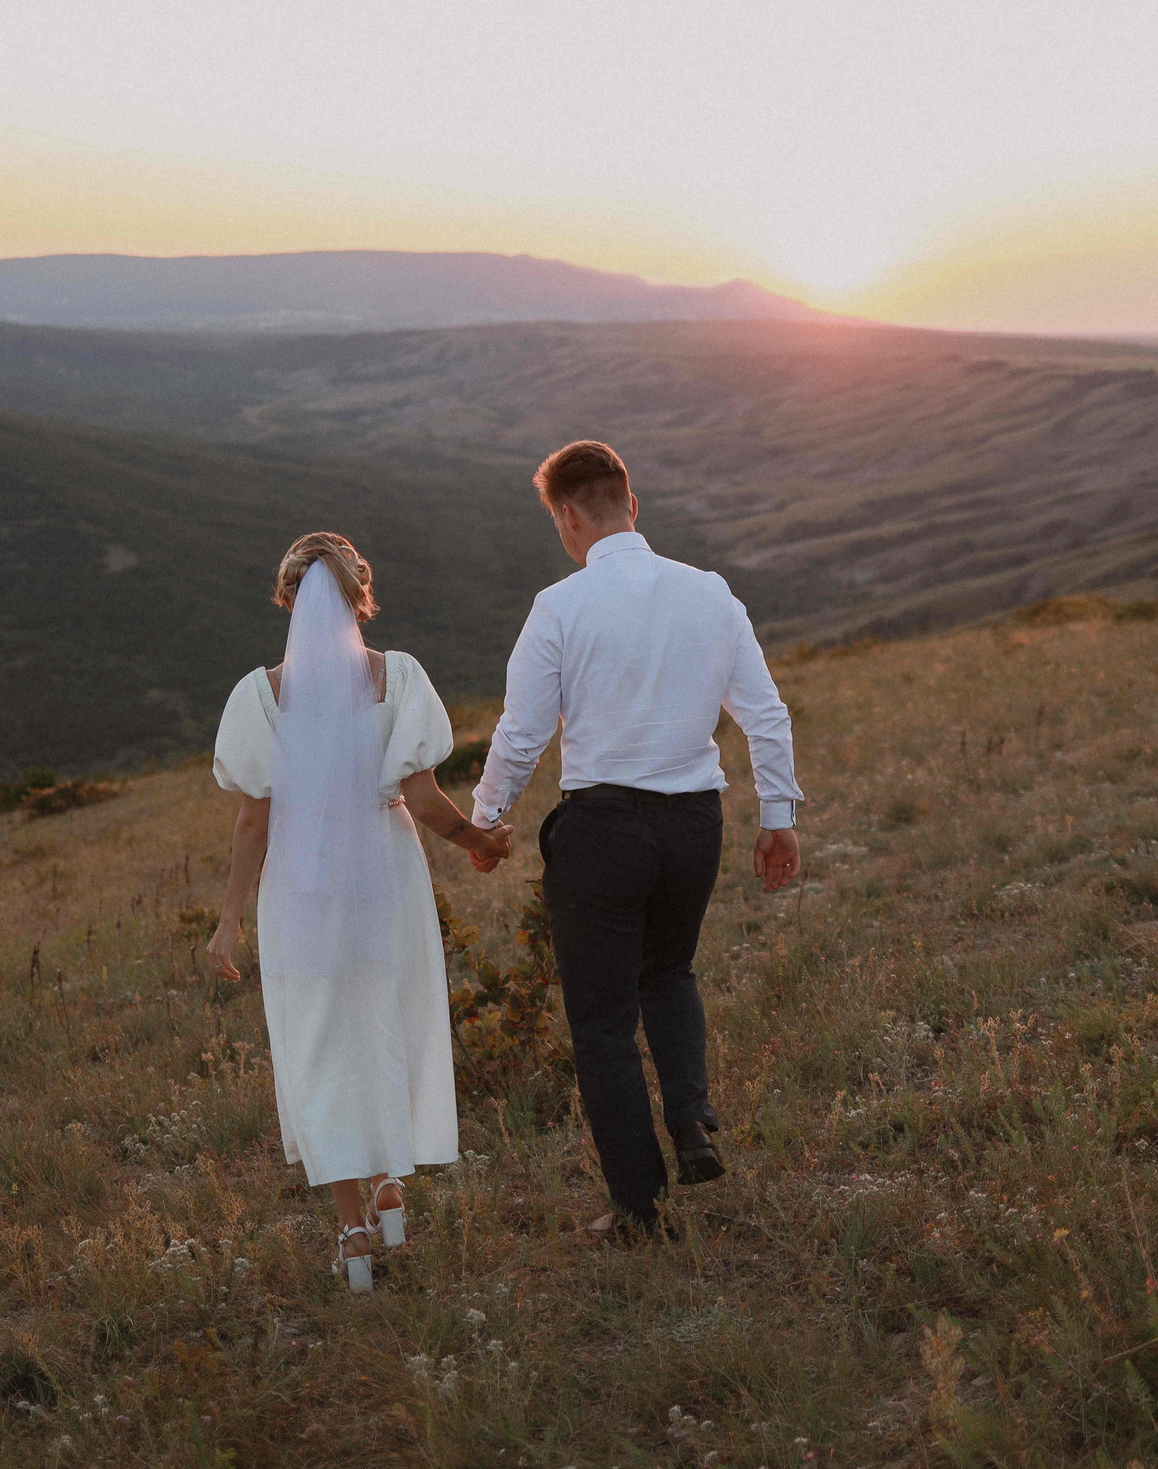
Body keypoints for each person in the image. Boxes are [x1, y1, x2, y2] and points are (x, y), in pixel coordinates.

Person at [471, 441, 803, 1240]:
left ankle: (639, 1210)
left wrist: (486, 819)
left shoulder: (559, 606)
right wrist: (778, 816)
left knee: (602, 1023)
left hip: (605, 830)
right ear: (633, 503)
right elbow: (765, 712)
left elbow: (522, 734)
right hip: (694, 824)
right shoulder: (711, 592)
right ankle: (689, 1121)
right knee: (670, 969)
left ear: (568, 516)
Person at [205, 532, 511, 1293]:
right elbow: (422, 797)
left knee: (317, 1040)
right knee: (386, 1015)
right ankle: (389, 1185)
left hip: (299, 890)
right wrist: (479, 841)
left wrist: (229, 919)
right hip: (386, 876)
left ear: (287, 599)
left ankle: (351, 1230)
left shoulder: (258, 697)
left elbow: (253, 823)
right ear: (359, 596)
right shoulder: (397, 678)